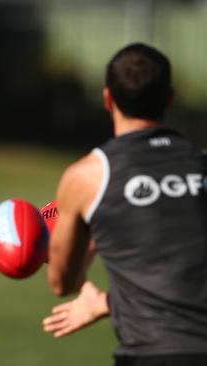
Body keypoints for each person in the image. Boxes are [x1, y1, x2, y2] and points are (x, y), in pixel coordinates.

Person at [46, 43, 207, 365]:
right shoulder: (202, 165)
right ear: (170, 98)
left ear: (108, 99)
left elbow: (62, 282)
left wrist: (88, 243)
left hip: (150, 354)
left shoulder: (87, 177)